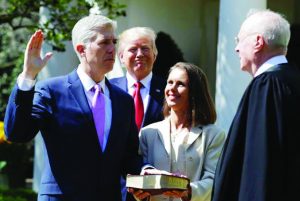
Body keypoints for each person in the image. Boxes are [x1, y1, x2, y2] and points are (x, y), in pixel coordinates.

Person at [4, 14, 141, 201]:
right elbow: (17, 133)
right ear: (81, 49)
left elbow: (128, 156)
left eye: (114, 42)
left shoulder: (123, 100)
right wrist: (28, 76)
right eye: (104, 43)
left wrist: (148, 172)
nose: (112, 49)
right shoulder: (52, 91)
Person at [212, 9, 300, 201]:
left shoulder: (267, 86)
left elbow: (259, 165)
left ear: (258, 42)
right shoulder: (291, 80)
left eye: (239, 40)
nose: (236, 49)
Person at [130, 62, 226, 201]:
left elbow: (214, 179)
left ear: (194, 92)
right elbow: (141, 174)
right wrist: (140, 193)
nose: (172, 89)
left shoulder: (214, 135)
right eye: (170, 83)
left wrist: (188, 191)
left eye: (180, 84)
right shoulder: (147, 133)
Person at [110, 27, 166, 131]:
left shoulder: (168, 89)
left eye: (145, 48)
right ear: (121, 57)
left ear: (154, 55)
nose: (140, 54)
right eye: (133, 49)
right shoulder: (108, 88)